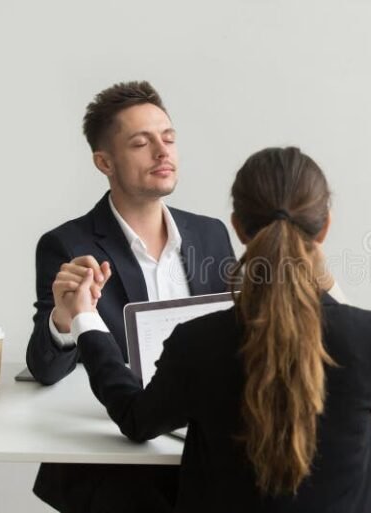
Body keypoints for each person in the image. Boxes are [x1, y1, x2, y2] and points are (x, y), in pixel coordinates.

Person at [59, 146, 371, 512]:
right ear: (324, 227)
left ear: (238, 226)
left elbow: (137, 419)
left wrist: (85, 320)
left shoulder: (196, 341)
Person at [26, 81, 235, 512]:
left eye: (169, 139)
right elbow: (45, 369)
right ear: (104, 162)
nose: (162, 152)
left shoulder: (210, 233)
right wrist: (65, 320)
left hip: (204, 440)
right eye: (141, 143)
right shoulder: (67, 245)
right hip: (117, 456)